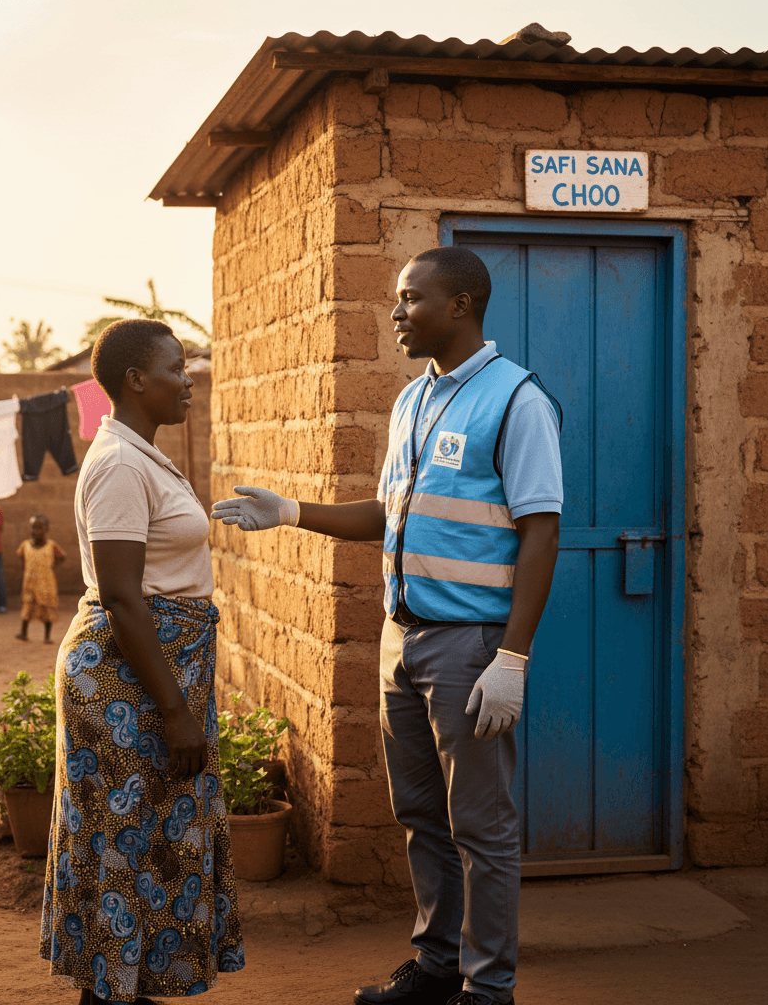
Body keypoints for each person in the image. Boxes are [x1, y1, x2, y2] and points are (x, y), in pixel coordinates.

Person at [212, 246, 563, 1005]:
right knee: (420, 816)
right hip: (402, 640)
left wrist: (513, 656)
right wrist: (292, 512)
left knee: (480, 823)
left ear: (461, 305)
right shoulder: (413, 401)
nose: (397, 313)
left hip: (472, 647)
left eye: (411, 299)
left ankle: (489, 988)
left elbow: (542, 530)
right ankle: (437, 967)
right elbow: (389, 514)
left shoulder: (516, 400)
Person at [39, 318, 244, 1005]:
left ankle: (130, 990)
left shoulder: (140, 452)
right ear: (135, 380)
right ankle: (107, 995)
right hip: (127, 682)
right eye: (176, 368)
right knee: (122, 844)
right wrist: (176, 711)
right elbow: (125, 598)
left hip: (150, 677)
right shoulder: (122, 464)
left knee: (149, 844)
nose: (188, 380)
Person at [16, 514, 66, 644]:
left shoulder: (51, 545)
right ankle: (23, 632)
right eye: (33, 528)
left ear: (46, 529)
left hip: (46, 583)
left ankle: (47, 636)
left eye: (39, 528)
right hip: (30, 582)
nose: (36, 531)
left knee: (48, 608)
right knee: (27, 606)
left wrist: (52, 567)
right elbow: (21, 557)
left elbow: (62, 556)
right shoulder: (25, 545)